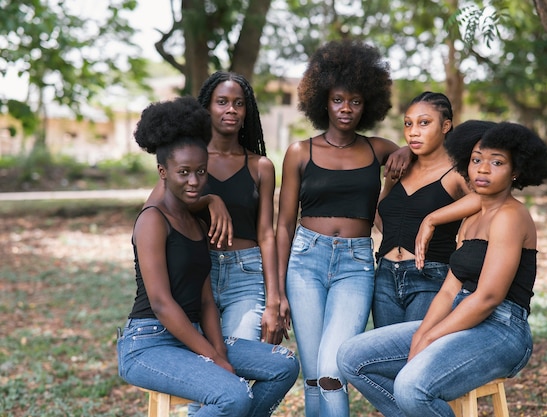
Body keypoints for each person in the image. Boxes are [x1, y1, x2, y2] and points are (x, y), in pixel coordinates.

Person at [338, 120, 547, 417]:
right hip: (461, 316)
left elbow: (488, 297)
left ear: (516, 171)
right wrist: (422, 334)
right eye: (476, 160)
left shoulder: (511, 216)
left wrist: (430, 337)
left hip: (502, 329)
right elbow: (450, 289)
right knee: (352, 357)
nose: (483, 169)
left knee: (411, 386)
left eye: (497, 162)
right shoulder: (470, 219)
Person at [116, 96, 299, 417]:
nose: (194, 181)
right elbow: (161, 303)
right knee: (234, 395)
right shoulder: (151, 221)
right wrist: (215, 359)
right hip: (149, 342)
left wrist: (220, 352)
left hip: (193, 332)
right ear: (163, 172)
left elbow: (205, 303)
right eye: (183, 172)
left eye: (201, 172)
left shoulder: (197, 225)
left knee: (282, 364)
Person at [275, 39, 411, 417]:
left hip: (355, 264)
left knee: (334, 370)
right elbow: (284, 225)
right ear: (323, 101)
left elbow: (419, 150)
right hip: (304, 262)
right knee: (315, 372)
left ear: (368, 104)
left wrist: (406, 151)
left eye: (355, 100)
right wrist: (278, 290)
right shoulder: (301, 152)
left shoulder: (377, 149)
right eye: (338, 100)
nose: (346, 108)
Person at [372, 92, 478, 328]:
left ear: (445, 126)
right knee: (387, 358)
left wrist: (432, 219)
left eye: (424, 123)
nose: (413, 131)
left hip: (429, 276)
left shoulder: (457, 172)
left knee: (415, 356)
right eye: (408, 123)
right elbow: (383, 208)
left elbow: (484, 200)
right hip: (385, 276)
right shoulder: (400, 167)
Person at [195, 71, 285, 345]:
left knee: (241, 361)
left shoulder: (261, 167)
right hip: (199, 272)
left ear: (247, 111)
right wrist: (209, 200)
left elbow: (266, 235)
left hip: (246, 275)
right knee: (201, 367)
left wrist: (274, 300)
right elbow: (162, 210)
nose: (231, 109)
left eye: (239, 103)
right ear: (207, 107)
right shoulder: (189, 160)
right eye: (222, 102)